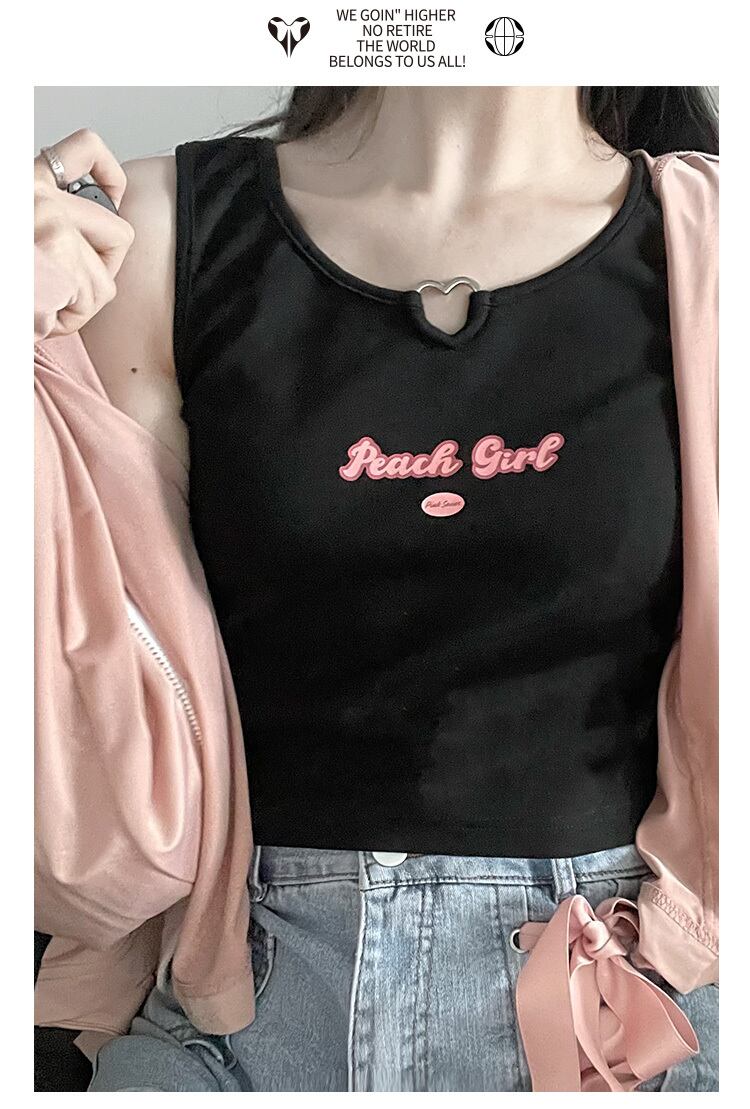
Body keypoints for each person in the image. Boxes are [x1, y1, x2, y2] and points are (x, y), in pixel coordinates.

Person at [34, 87, 719, 1092]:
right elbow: (72, 673)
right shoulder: (148, 234)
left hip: (623, 1004)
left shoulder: (711, 248)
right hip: (239, 996)